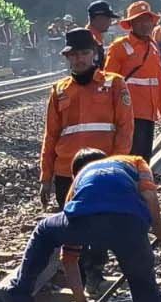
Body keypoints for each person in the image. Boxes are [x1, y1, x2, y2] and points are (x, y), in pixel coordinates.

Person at [0, 149, 161, 302]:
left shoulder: (80, 181)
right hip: (128, 224)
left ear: (76, 174)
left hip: (86, 222)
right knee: (143, 284)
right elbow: (149, 194)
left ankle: (18, 296)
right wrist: (159, 228)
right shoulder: (137, 160)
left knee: (44, 230)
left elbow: (69, 258)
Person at [40, 29, 135, 208]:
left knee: (102, 224)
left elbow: (125, 129)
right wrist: (45, 177)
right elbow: (50, 135)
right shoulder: (59, 89)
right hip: (67, 172)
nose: (80, 59)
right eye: (74, 55)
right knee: (72, 226)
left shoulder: (114, 83)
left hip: (103, 169)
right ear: (67, 57)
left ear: (95, 54)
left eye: (85, 53)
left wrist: (115, 166)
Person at [103, 0, 161, 159]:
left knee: (142, 161)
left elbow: (160, 85)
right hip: (127, 115)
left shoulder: (153, 47)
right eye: (140, 20)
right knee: (126, 160)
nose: (145, 24)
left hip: (148, 116)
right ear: (131, 24)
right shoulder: (120, 46)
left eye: (148, 20)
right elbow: (108, 83)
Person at [86, 0, 119, 67]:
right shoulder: (88, 39)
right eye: (108, 19)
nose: (110, 22)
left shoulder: (95, 36)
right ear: (98, 18)